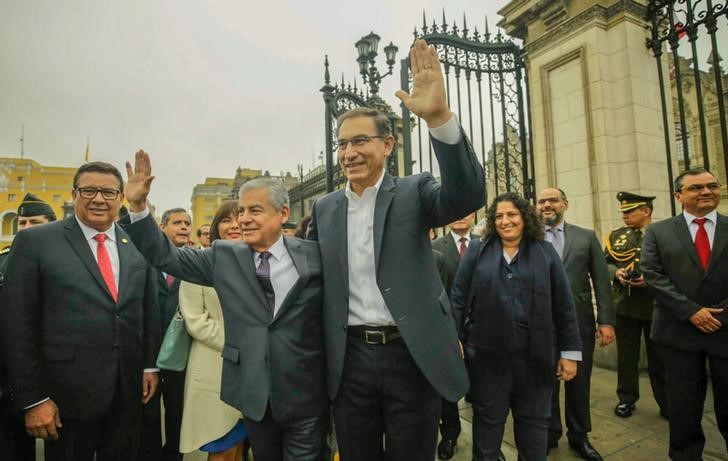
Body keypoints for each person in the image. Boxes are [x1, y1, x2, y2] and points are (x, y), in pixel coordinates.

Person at [306, 38, 485, 461]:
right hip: (348, 360)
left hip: (411, 356)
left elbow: (466, 195)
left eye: (360, 141)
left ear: (387, 146)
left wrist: (440, 119)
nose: (349, 152)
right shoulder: (325, 207)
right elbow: (310, 275)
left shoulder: (414, 191)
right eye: (343, 144)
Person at [122, 164, 328, 461]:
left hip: (306, 395)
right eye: (241, 211)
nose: (244, 219)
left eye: (254, 211)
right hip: (253, 398)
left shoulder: (314, 255)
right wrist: (139, 207)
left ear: (283, 214)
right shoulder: (224, 257)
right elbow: (164, 255)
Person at [0, 161, 160, 461]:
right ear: (74, 195)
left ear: (120, 197)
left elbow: (147, 309)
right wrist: (33, 399)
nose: (99, 199)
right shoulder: (36, 241)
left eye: (109, 192)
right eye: (89, 190)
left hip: (127, 394)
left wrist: (149, 365)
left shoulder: (135, 244)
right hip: (64, 400)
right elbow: (16, 324)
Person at [451, 192, 582, 461]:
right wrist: (456, 338)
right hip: (488, 361)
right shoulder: (478, 249)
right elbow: (458, 295)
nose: (505, 221)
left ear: (524, 217)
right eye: (498, 216)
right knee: (487, 430)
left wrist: (570, 353)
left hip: (536, 362)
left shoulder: (545, 252)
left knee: (534, 434)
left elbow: (564, 304)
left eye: (511, 214)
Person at [641, 167, 728, 460]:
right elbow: (652, 274)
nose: (706, 191)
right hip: (677, 333)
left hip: (725, 329)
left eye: (711, 186)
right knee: (684, 408)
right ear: (679, 196)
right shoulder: (658, 231)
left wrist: (718, 314)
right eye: (696, 188)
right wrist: (691, 311)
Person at [536, 187, 615, 461]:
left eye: (553, 200)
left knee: (579, 383)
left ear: (565, 204)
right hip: (541, 326)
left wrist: (606, 320)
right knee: (546, 383)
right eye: (542, 201)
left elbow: (602, 281)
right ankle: (549, 432)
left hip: (579, 324)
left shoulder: (586, 237)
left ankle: (579, 435)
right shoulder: (529, 239)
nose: (547, 205)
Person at [179, 200, 249, 461]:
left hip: (253, 374)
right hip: (214, 369)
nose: (234, 226)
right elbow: (196, 321)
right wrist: (243, 341)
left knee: (239, 447)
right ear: (216, 228)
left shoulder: (262, 262)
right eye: (226, 220)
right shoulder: (200, 263)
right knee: (220, 446)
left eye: (239, 218)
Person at [0, 192, 57, 461]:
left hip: (56, 370)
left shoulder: (63, 261)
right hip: (10, 374)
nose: (25, 230)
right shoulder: (3, 259)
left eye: (34, 222)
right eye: (21, 223)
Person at [604, 192, 667, 419]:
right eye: (623, 212)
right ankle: (626, 399)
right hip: (625, 306)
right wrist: (617, 273)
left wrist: (650, 280)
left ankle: (666, 401)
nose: (625, 216)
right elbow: (606, 263)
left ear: (646, 211)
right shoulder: (617, 236)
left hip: (656, 306)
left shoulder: (664, 233)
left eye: (630, 211)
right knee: (626, 357)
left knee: (659, 358)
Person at [139, 208, 191, 461]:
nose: (184, 227)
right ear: (162, 227)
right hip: (146, 355)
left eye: (187, 223)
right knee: (146, 416)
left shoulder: (193, 263)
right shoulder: (143, 261)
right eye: (177, 222)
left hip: (181, 356)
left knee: (178, 415)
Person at [431, 213, 476, 460]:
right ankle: (450, 435)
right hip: (447, 329)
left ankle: (487, 441)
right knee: (446, 388)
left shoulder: (485, 243)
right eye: (454, 213)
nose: (460, 218)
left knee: (484, 390)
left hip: (482, 330)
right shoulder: (434, 249)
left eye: (465, 212)